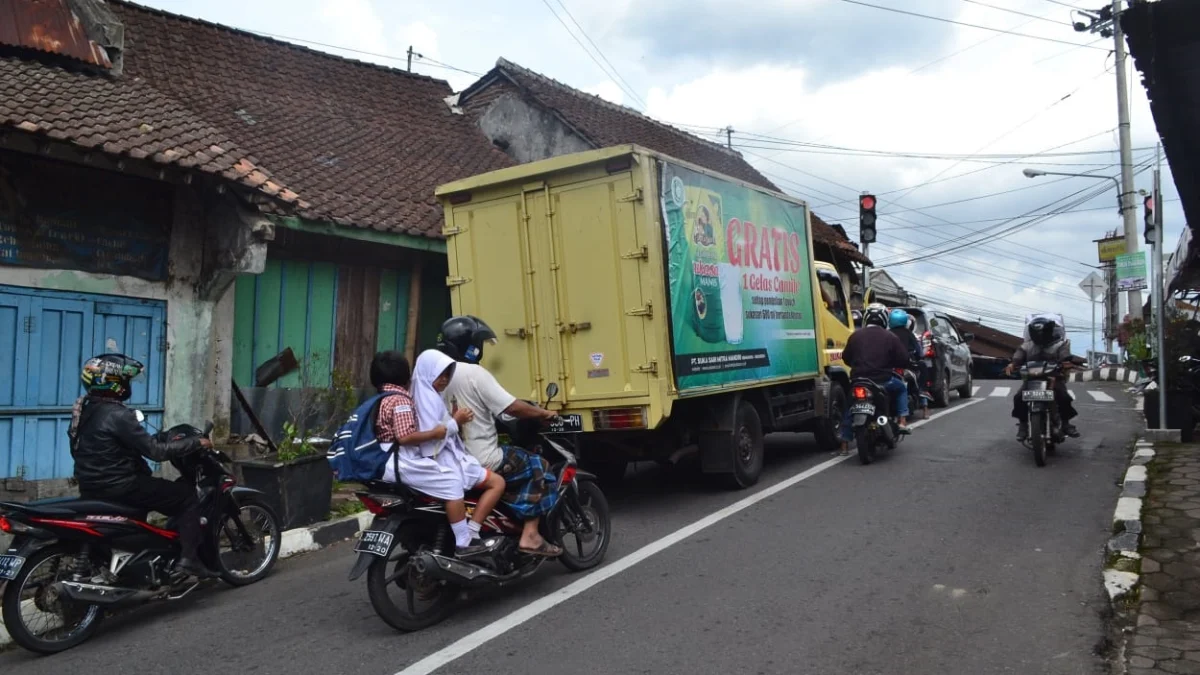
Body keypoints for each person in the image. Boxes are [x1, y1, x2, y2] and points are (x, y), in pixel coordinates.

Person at [69, 354, 215, 578]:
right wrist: (196, 441)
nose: (128, 386)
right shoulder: (118, 414)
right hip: (123, 486)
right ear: (114, 383)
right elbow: (155, 452)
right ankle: (188, 560)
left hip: (90, 486)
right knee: (186, 496)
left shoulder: (82, 409)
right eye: (125, 380)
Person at [437, 316, 564, 557]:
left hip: (446, 459)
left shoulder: (434, 375)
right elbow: (512, 408)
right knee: (539, 464)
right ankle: (530, 534)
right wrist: (543, 413)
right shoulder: (473, 373)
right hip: (482, 459)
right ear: (472, 346)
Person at [374, 350, 506, 558]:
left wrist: (450, 423)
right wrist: (453, 424)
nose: (445, 379)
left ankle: (468, 532)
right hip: (412, 460)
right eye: (440, 374)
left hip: (402, 459)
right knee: (456, 483)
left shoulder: (404, 396)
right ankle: (466, 539)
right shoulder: (408, 400)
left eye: (448, 374)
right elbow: (416, 440)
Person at [839, 304, 914, 455]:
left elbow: (846, 358)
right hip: (883, 380)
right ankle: (902, 421)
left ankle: (844, 444)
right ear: (884, 319)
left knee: (850, 407)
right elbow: (903, 359)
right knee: (901, 388)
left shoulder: (855, 336)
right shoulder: (890, 337)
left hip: (858, 381)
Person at [1004, 316, 1079, 441]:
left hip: (1053, 378)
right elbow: (1018, 357)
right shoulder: (1027, 346)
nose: (1039, 335)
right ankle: (1023, 425)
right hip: (1032, 379)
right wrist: (1012, 364)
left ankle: (1065, 423)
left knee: (1064, 397)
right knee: (1018, 397)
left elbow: (1065, 356)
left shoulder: (1060, 344)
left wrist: (1065, 363)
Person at [888, 308, 928, 419]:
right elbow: (919, 351)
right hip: (907, 364)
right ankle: (925, 408)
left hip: (889, 366)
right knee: (921, 384)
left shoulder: (887, 334)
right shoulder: (909, 334)